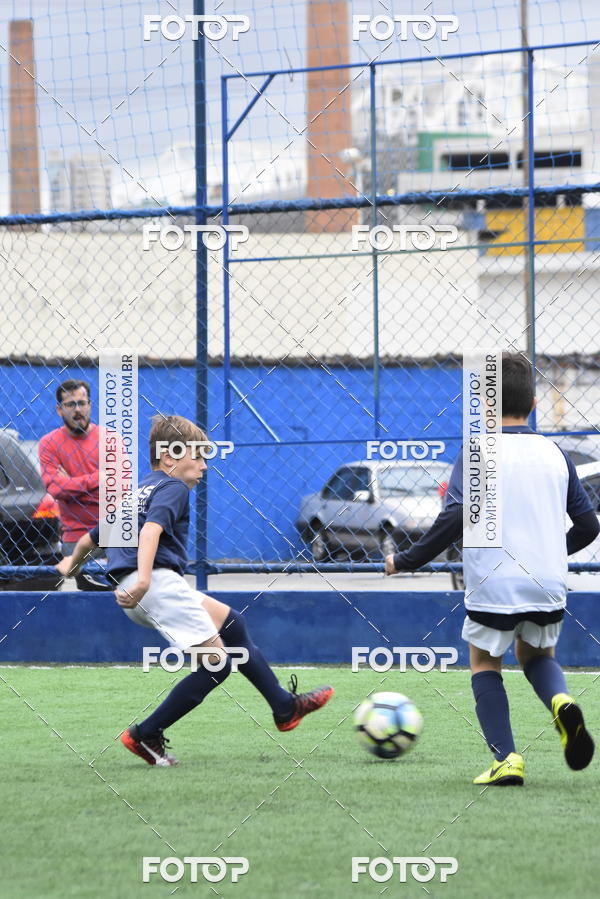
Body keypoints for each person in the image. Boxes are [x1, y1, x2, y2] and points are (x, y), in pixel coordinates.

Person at [56, 414, 333, 766]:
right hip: (154, 585)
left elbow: (87, 540)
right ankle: (145, 734)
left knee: (232, 624)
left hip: (144, 590)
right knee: (217, 666)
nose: (204, 464)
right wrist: (142, 579)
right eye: (198, 455)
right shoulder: (173, 487)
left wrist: (71, 567)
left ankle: (284, 707)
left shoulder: (138, 491)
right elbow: (151, 532)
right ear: (170, 457)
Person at [385, 353, 599, 786]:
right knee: (537, 655)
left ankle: (507, 758)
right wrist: (556, 552)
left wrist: (405, 560)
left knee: (485, 660)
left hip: (493, 583)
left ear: (485, 406)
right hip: (547, 581)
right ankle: (560, 701)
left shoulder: (478, 450)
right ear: (535, 404)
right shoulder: (555, 453)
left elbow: (453, 517)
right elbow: (589, 525)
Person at [39, 379, 111, 590]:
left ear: (89, 404)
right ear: (59, 410)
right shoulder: (49, 443)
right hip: (76, 536)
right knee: (91, 599)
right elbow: (56, 489)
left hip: (112, 532)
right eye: (70, 405)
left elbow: (118, 489)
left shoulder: (110, 439)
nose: (78, 409)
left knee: (124, 595)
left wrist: (71, 484)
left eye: (82, 403)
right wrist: (97, 479)